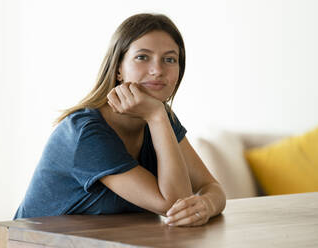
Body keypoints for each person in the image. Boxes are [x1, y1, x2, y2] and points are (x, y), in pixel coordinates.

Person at [14, 13, 226, 227]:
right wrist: (156, 115)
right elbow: (173, 204)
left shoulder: (161, 120)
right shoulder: (85, 132)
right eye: (143, 57)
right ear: (118, 69)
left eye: (169, 59)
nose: (157, 70)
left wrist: (206, 204)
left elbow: (211, 186)